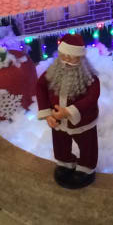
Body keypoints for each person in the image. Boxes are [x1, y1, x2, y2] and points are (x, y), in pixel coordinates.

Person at [36, 33, 100, 189]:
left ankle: (86, 168)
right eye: (64, 56)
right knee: (60, 142)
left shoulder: (90, 78)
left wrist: (70, 111)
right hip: (57, 119)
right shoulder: (52, 72)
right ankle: (65, 162)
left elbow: (92, 98)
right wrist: (47, 114)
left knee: (87, 144)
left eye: (72, 58)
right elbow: (40, 87)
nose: (67, 61)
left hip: (82, 120)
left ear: (81, 58)